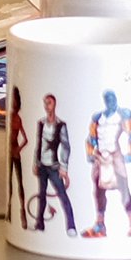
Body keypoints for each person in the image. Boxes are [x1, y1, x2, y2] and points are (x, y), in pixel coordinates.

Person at [84, 89, 131, 238]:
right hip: (101, 156)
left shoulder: (122, 115)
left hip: (115, 155)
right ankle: (100, 224)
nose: (110, 101)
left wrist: (130, 152)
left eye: (112, 98)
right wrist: (90, 152)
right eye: (107, 98)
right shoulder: (98, 117)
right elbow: (91, 137)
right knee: (98, 189)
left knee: (123, 188)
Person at [34, 94, 76, 235]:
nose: (47, 106)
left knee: (62, 195)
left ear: (54, 105)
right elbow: (38, 143)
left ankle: (71, 226)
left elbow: (66, 146)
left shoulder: (60, 125)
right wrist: (35, 162)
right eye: (45, 103)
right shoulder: (41, 123)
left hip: (53, 166)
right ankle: (39, 223)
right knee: (42, 195)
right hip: (42, 165)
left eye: (49, 103)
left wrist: (64, 167)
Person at [7, 86, 29, 225]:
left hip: (14, 151)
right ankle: (9, 211)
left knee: (19, 182)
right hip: (11, 151)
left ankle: (23, 211)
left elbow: (25, 139)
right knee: (10, 182)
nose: (14, 104)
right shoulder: (11, 117)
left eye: (16, 101)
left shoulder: (17, 119)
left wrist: (18, 149)